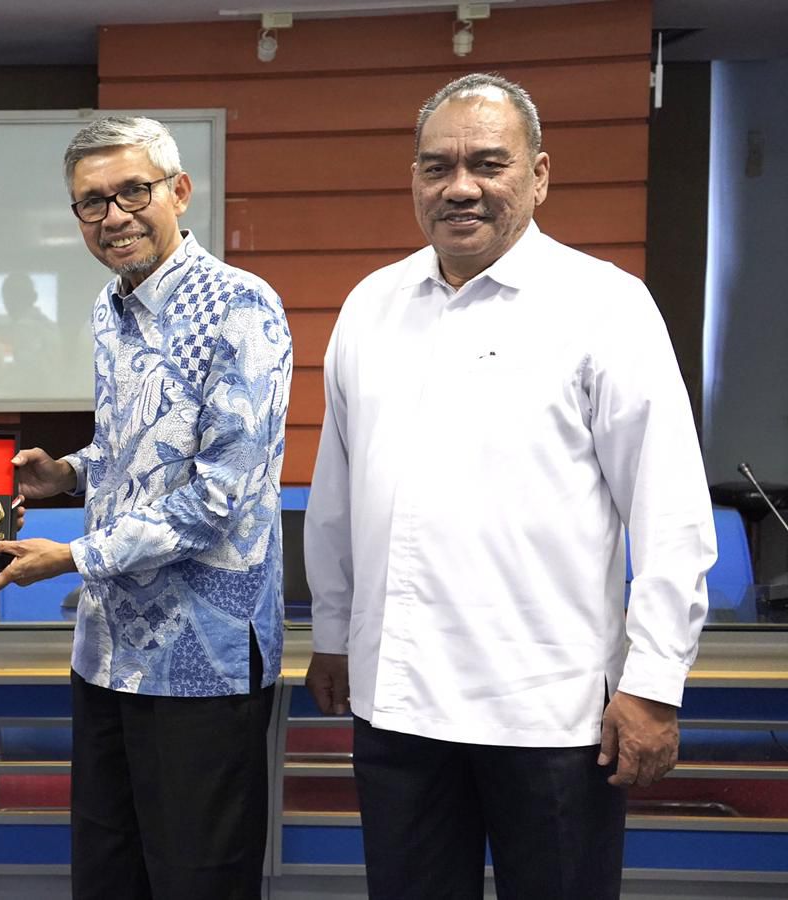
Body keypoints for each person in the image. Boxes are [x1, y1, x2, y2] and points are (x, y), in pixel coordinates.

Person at [303, 73, 716, 900]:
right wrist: (334, 629)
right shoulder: (371, 307)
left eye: (488, 164)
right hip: (399, 706)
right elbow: (338, 493)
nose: (460, 187)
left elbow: (668, 507)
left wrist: (655, 682)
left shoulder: (605, 305)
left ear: (540, 175)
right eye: (436, 166)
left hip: (551, 715)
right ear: (415, 179)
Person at [0, 117, 292, 898]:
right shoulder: (108, 308)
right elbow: (139, 455)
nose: (114, 216)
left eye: (133, 192)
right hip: (109, 653)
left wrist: (74, 556)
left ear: (178, 192)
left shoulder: (241, 309)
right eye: (92, 202)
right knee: (107, 874)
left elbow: (220, 496)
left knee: (197, 881)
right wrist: (68, 475)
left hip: (202, 663)